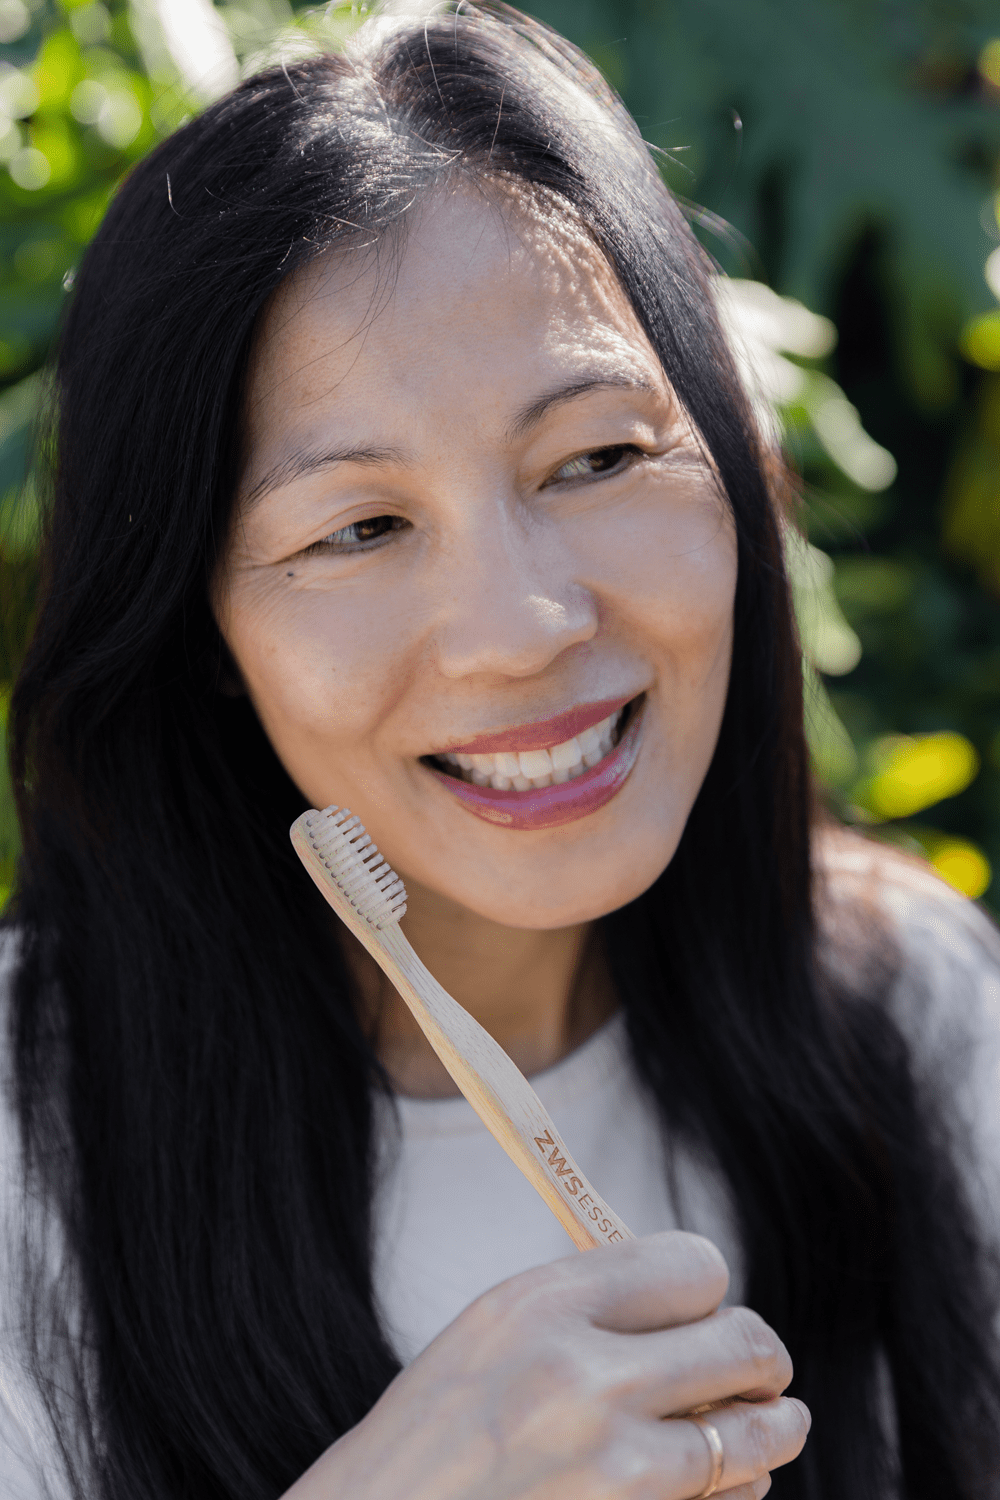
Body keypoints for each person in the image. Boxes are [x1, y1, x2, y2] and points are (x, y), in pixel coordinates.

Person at [2, 3, 998, 1497]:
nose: (522, 625)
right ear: (200, 624)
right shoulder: (23, 1156)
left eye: (597, 457)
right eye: (359, 528)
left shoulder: (908, 1009)